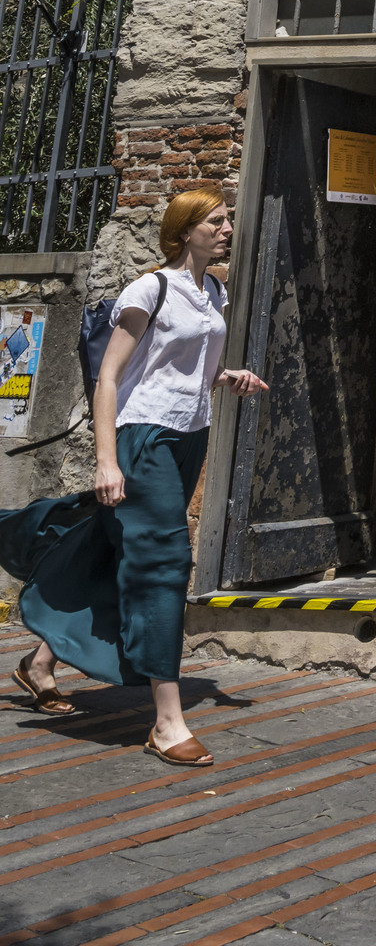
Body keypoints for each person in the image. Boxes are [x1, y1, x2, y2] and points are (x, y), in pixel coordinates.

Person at [0, 185, 267, 766]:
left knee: (113, 548)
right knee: (164, 562)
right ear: (185, 230)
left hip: (189, 436)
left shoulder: (214, 291)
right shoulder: (150, 288)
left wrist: (227, 378)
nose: (226, 230)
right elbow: (110, 378)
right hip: (143, 437)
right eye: (216, 221)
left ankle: (39, 664)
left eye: (227, 221)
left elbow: (184, 368)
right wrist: (106, 460)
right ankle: (167, 723)